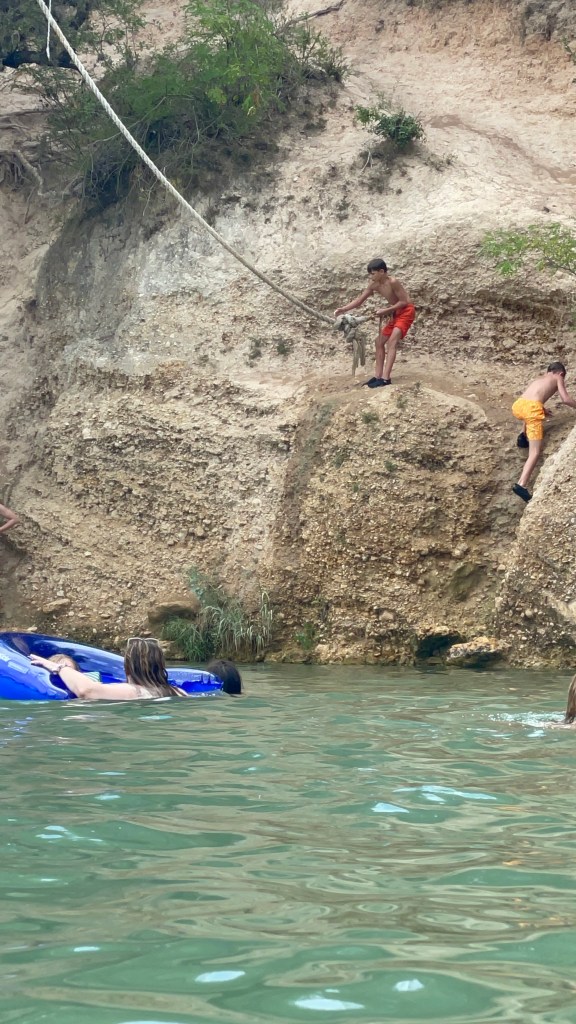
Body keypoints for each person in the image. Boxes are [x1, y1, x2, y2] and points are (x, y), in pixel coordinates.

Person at [334, 258, 415, 388]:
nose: (371, 276)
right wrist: (343, 309)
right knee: (378, 342)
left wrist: (386, 310)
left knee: (392, 341)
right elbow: (359, 301)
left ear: (381, 272)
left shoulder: (393, 282)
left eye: (373, 273)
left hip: (406, 312)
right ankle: (378, 376)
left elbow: (404, 302)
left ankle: (386, 379)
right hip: (395, 312)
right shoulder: (374, 284)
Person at [29, 637, 185, 700]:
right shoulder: (178, 692)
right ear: (161, 666)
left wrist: (58, 668)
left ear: (128, 668)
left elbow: (87, 691)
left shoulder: (131, 691)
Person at [511, 361, 576, 503]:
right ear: (561, 373)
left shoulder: (540, 378)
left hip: (518, 406)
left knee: (532, 411)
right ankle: (521, 484)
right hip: (531, 410)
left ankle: (523, 436)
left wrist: (543, 409)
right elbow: (565, 399)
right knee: (534, 452)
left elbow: (532, 397)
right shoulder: (558, 377)